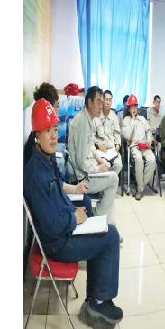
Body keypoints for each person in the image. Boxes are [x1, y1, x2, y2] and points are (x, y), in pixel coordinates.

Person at [24, 98, 123, 329]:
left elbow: (57, 190)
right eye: (46, 131)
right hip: (57, 243)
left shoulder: (45, 158)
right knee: (110, 237)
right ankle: (98, 303)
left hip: (62, 228)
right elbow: (50, 226)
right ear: (37, 135)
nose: (53, 136)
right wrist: (74, 218)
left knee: (93, 214)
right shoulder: (35, 174)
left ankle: (95, 297)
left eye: (54, 129)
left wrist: (75, 205)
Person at [68, 86, 119, 225]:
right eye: (98, 102)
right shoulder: (82, 123)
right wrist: (98, 168)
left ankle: (108, 222)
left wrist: (100, 160)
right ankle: (98, 217)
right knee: (114, 179)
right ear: (89, 102)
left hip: (87, 170)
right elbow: (82, 163)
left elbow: (90, 148)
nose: (101, 106)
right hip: (83, 178)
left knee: (109, 169)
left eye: (102, 102)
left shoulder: (88, 119)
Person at [120, 94, 156, 200]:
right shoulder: (126, 120)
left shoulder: (142, 119)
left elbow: (148, 131)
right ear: (128, 108)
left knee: (152, 160)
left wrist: (149, 140)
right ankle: (140, 189)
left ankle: (140, 186)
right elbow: (127, 136)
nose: (134, 109)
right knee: (139, 160)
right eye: (132, 107)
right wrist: (132, 120)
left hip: (145, 146)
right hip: (134, 147)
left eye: (135, 106)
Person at [93, 90, 124, 179]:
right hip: (100, 150)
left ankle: (108, 182)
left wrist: (117, 145)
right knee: (105, 165)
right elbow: (91, 134)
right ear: (102, 100)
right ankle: (106, 183)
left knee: (119, 165)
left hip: (112, 150)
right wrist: (98, 144)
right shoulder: (96, 115)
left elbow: (117, 133)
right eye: (106, 99)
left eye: (110, 100)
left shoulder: (114, 116)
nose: (108, 102)